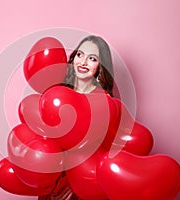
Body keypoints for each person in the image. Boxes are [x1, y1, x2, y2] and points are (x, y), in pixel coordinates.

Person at [38, 35, 114, 200]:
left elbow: (102, 145)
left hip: (83, 177)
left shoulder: (104, 100)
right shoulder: (57, 92)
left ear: (101, 66)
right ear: (73, 58)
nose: (83, 62)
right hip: (52, 174)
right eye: (80, 55)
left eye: (92, 58)